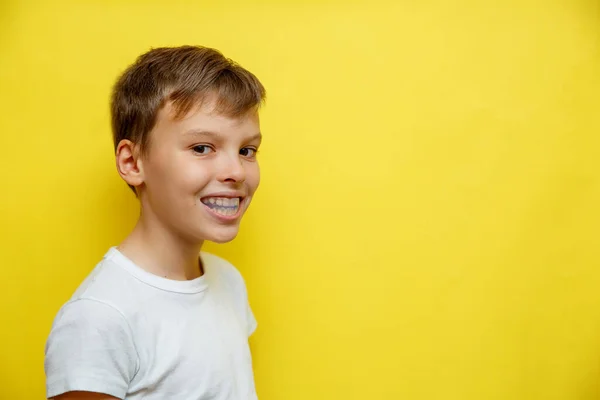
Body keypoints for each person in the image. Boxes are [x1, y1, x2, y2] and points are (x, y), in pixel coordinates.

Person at [44, 45, 266, 400]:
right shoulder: (99, 318)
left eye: (246, 150)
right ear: (133, 163)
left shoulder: (228, 281)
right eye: (202, 148)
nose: (237, 172)